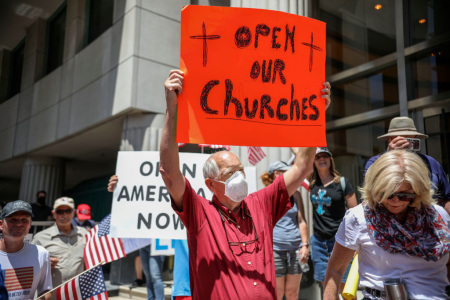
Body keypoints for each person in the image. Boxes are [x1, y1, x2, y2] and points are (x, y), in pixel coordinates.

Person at [158, 69, 331, 299]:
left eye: (240, 170)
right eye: (231, 172)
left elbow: (302, 168)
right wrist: (172, 109)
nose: (240, 176)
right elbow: (170, 173)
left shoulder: (261, 204)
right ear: (211, 184)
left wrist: (316, 117)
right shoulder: (200, 213)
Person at [324, 150, 450, 299]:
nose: (396, 201)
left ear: (417, 191)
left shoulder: (438, 216)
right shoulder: (358, 218)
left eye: (404, 195)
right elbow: (335, 270)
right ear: (375, 190)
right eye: (388, 194)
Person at [364, 116, 450, 215]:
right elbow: (370, 194)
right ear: (389, 139)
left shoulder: (431, 163)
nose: (405, 144)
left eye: (409, 139)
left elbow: (447, 197)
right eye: (401, 140)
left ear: (416, 138)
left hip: (427, 223)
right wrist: (391, 157)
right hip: (387, 224)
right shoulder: (375, 163)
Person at [308, 147, 357, 292]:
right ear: (314, 162)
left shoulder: (342, 183)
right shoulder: (312, 185)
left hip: (340, 241)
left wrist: (355, 243)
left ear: (330, 160)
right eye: (318, 157)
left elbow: (354, 215)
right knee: (326, 287)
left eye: (325, 156)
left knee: (344, 288)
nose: (322, 159)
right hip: (318, 242)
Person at [260, 161, 309, 300]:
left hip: (296, 250)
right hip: (275, 250)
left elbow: (301, 221)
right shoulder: (266, 195)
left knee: (293, 293)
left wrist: (305, 246)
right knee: (277, 293)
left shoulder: (297, 195)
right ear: (277, 174)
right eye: (287, 172)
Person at [31, 197, 88, 299]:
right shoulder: (40, 238)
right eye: (60, 211)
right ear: (54, 214)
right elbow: (30, 269)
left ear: (74, 212)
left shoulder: (85, 234)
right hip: (52, 296)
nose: (64, 215)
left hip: (78, 294)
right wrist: (45, 266)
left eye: (68, 211)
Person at [0, 200, 52, 300]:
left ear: (30, 224)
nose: (19, 224)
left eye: (24, 220)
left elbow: (46, 290)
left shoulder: (41, 254)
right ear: (1, 224)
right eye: (13, 220)